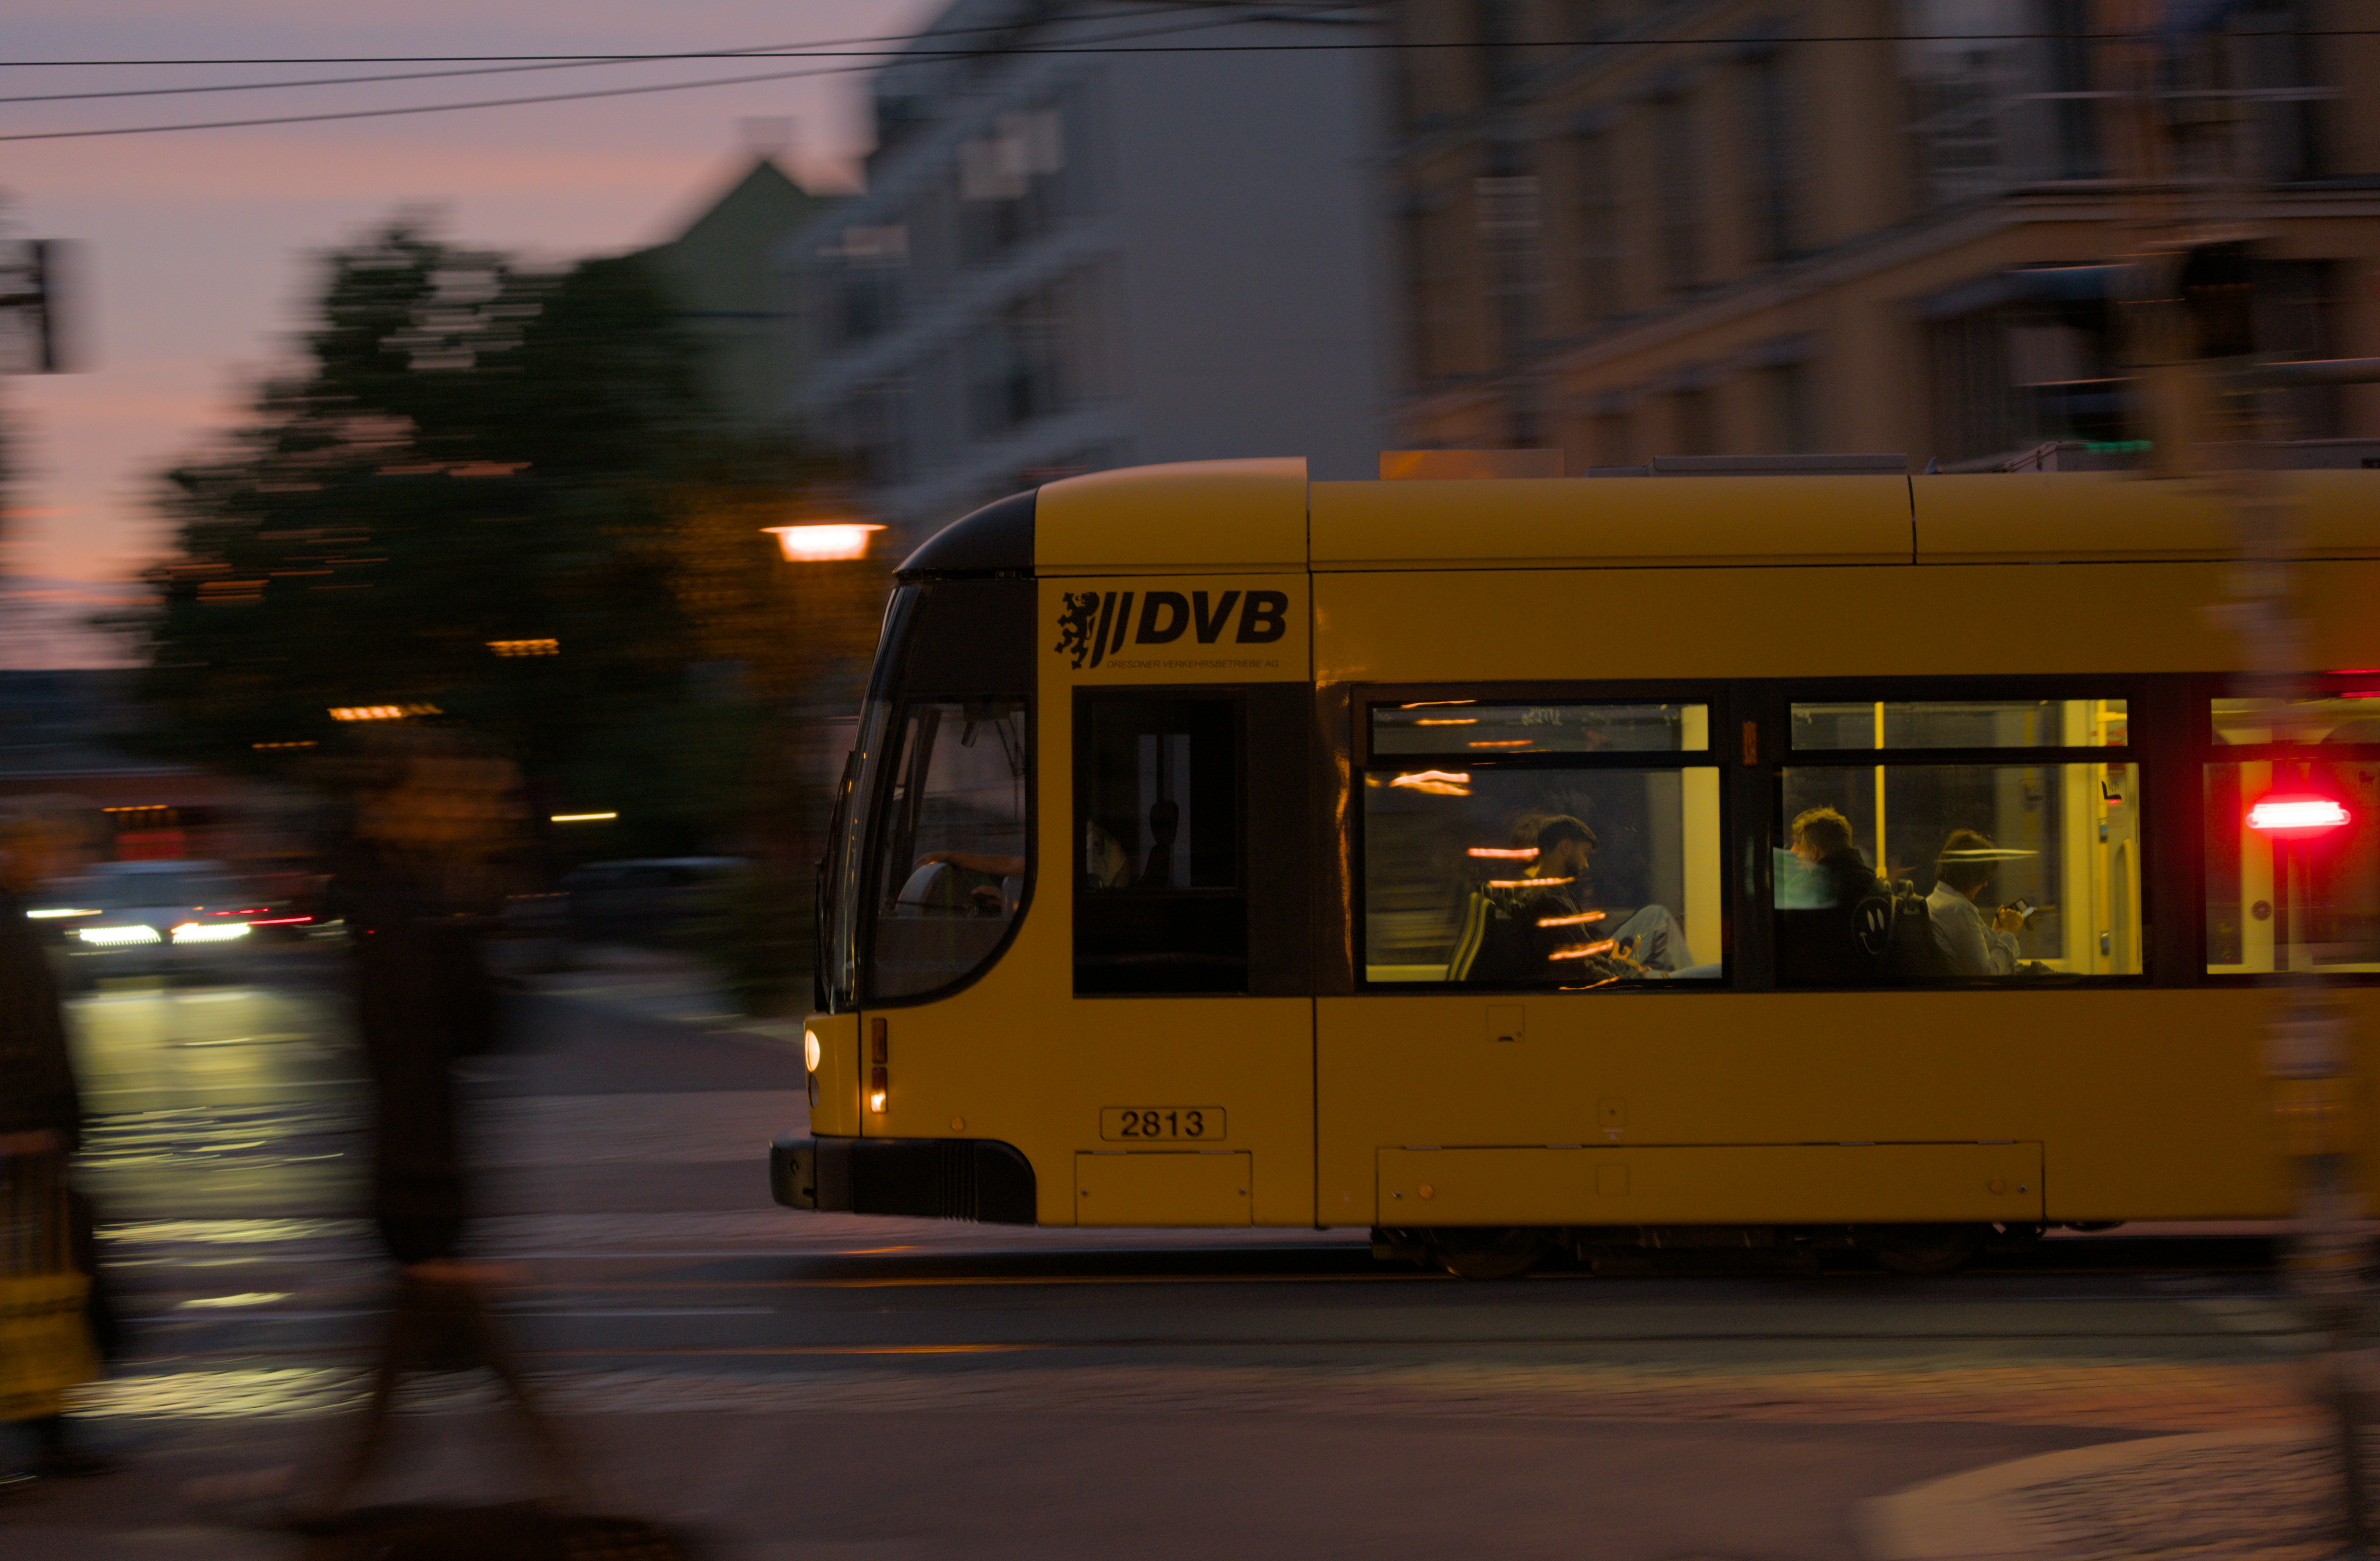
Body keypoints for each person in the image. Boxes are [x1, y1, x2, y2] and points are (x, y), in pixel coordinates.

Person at [0, 803, 114, 1486]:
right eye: (40, 847)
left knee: (41, 1290)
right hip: (19, 1140)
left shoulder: (19, 919)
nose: (54, 861)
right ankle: (48, 1436)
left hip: (31, 1135)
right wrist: (20, 1122)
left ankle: (51, 1433)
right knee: (31, 1289)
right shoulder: (6, 925)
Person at [1515, 815, 1693, 976]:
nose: (1586, 865)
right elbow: (1580, 967)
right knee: (1707, 975)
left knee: (1656, 916)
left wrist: (1610, 954)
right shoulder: (1544, 899)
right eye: (1584, 855)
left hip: (1601, 957)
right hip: (1603, 969)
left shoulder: (1556, 890)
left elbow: (1583, 943)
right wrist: (1631, 975)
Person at [1776, 806, 1882, 985]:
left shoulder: (1808, 892)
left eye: (1801, 846)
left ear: (1815, 851)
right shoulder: (1877, 887)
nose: (1796, 853)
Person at [1927, 827, 2024, 977]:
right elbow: (1986, 974)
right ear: (1970, 876)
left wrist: (1998, 933)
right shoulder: (1959, 910)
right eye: (1982, 877)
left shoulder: (1937, 900)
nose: (1985, 884)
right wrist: (2010, 934)